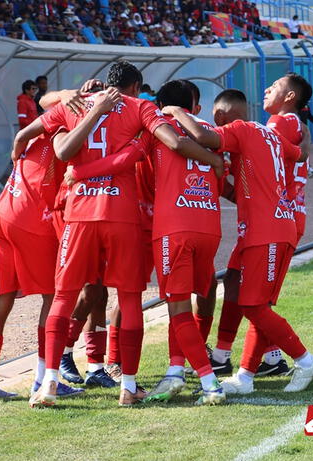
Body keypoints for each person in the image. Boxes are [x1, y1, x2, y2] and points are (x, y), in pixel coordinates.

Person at [29, 61, 223, 408]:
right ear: (135, 87)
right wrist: (213, 159)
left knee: (65, 296)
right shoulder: (140, 108)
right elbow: (173, 141)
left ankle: (49, 384)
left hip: (79, 213)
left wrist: (33, 139)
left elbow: (50, 134)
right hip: (122, 215)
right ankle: (128, 386)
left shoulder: (77, 103)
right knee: (130, 298)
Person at [165, 89, 313, 394]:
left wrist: (174, 111)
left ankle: (304, 360)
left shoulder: (240, 130)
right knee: (252, 301)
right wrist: (305, 135)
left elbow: (201, 136)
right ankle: (246, 377)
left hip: (267, 231)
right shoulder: (270, 135)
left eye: (216, 118)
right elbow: (300, 154)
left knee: (253, 306)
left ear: (222, 117)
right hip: (272, 227)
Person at [0, 91, 121, 402]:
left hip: (2, 212)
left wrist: (69, 95)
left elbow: (43, 102)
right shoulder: (68, 129)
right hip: (31, 218)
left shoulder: (46, 121)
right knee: (54, 298)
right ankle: (44, 379)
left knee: (0, 298)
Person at [139, 80, 225, 405]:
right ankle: (175, 371)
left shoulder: (157, 127)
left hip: (174, 226)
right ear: (196, 106)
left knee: (177, 307)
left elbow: (146, 176)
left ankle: (209, 384)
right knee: (191, 302)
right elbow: (221, 177)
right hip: (209, 225)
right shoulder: (208, 130)